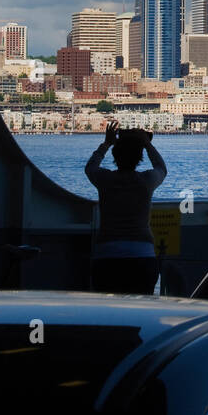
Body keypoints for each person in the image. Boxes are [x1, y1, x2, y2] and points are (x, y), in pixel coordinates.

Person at [85, 120, 167, 294]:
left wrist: (106, 143)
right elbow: (161, 168)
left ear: (115, 156)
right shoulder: (146, 181)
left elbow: (90, 167)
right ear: (139, 158)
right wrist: (146, 143)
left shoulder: (105, 180)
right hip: (142, 254)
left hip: (107, 254)